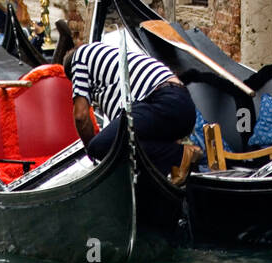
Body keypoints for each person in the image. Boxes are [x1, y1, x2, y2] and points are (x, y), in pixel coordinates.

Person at [63, 40, 202, 184]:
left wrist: (93, 155)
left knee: (100, 146)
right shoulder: (109, 61)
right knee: (131, 155)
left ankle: (180, 156)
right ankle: (179, 161)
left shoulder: (79, 57)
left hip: (163, 101)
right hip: (182, 107)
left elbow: (81, 116)